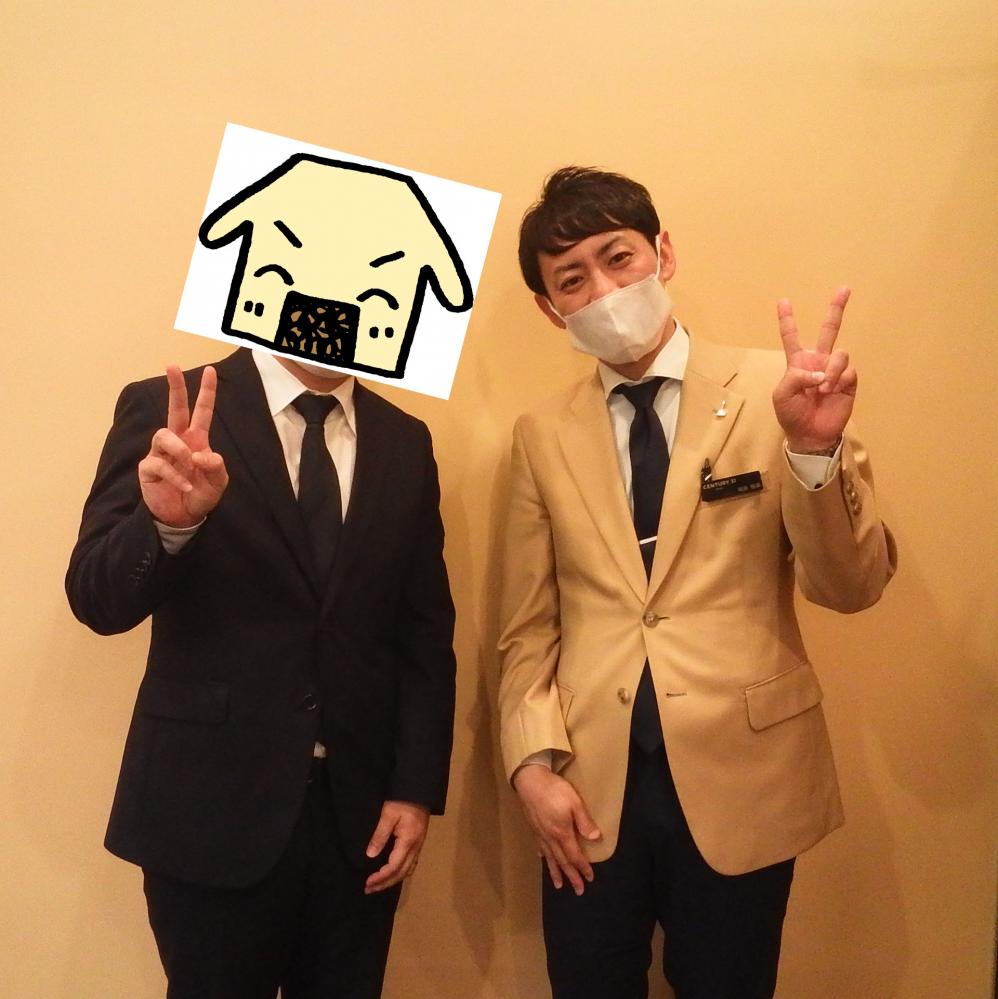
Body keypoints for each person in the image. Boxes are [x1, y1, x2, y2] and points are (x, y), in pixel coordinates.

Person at [498, 167, 896, 999]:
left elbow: (850, 586)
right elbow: (529, 625)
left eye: (618, 258)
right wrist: (531, 762)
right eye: (572, 279)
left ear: (663, 253)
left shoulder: (780, 391)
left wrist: (813, 452)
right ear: (550, 307)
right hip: (589, 784)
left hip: (745, 770)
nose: (603, 290)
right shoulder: (541, 434)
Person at [66, 346, 456, 998]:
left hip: (358, 822)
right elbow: (96, 598)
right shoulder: (167, 408)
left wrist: (414, 788)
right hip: (208, 809)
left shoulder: (405, 440)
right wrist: (166, 526)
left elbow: (424, 635)